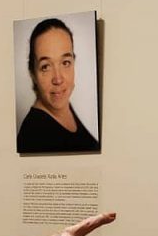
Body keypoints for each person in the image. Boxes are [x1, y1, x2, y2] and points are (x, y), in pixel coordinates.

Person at [16, 18, 99, 153]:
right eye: (45, 67)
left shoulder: (64, 106)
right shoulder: (32, 137)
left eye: (65, 62)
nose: (58, 79)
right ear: (32, 73)